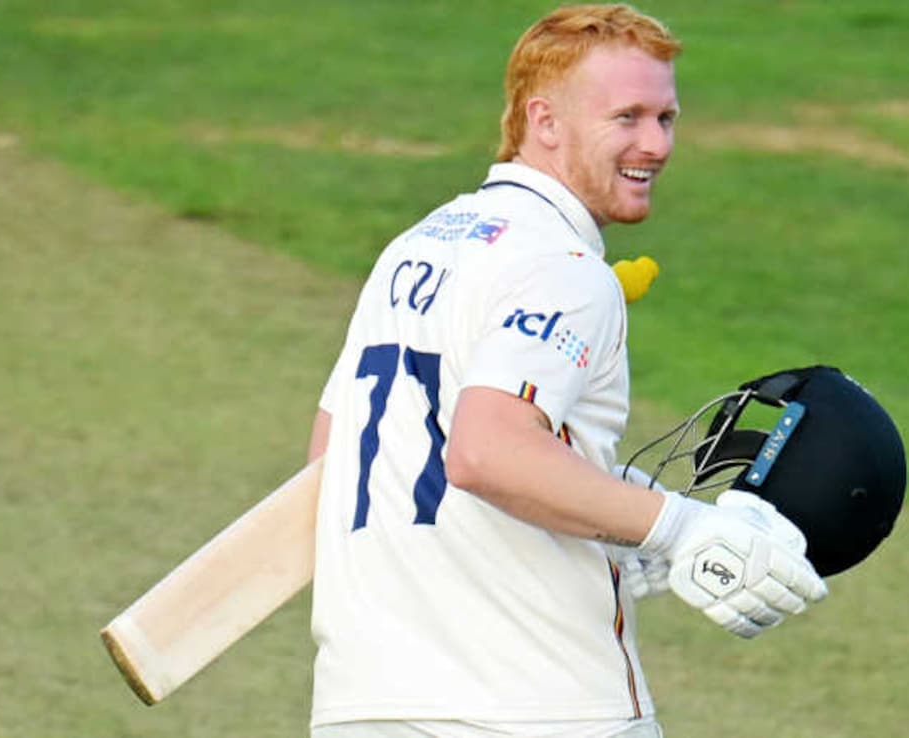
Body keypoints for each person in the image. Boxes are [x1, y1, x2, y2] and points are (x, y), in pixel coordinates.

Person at [306, 5, 827, 737]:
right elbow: (486, 452)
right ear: (544, 121)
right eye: (627, 118)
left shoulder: (413, 248)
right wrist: (678, 529)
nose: (656, 144)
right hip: (541, 704)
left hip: (366, 706)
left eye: (666, 118)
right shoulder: (564, 266)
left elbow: (334, 463)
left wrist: (605, 513)